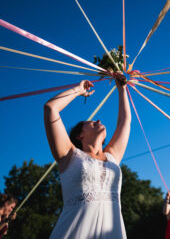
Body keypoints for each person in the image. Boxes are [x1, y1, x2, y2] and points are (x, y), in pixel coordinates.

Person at [44, 75, 131, 239]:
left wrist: (122, 89)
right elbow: (51, 108)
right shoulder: (69, 155)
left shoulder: (112, 156)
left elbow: (124, 121)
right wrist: (78, 90)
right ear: (79, 136)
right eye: (91, 122)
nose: (98, 120)